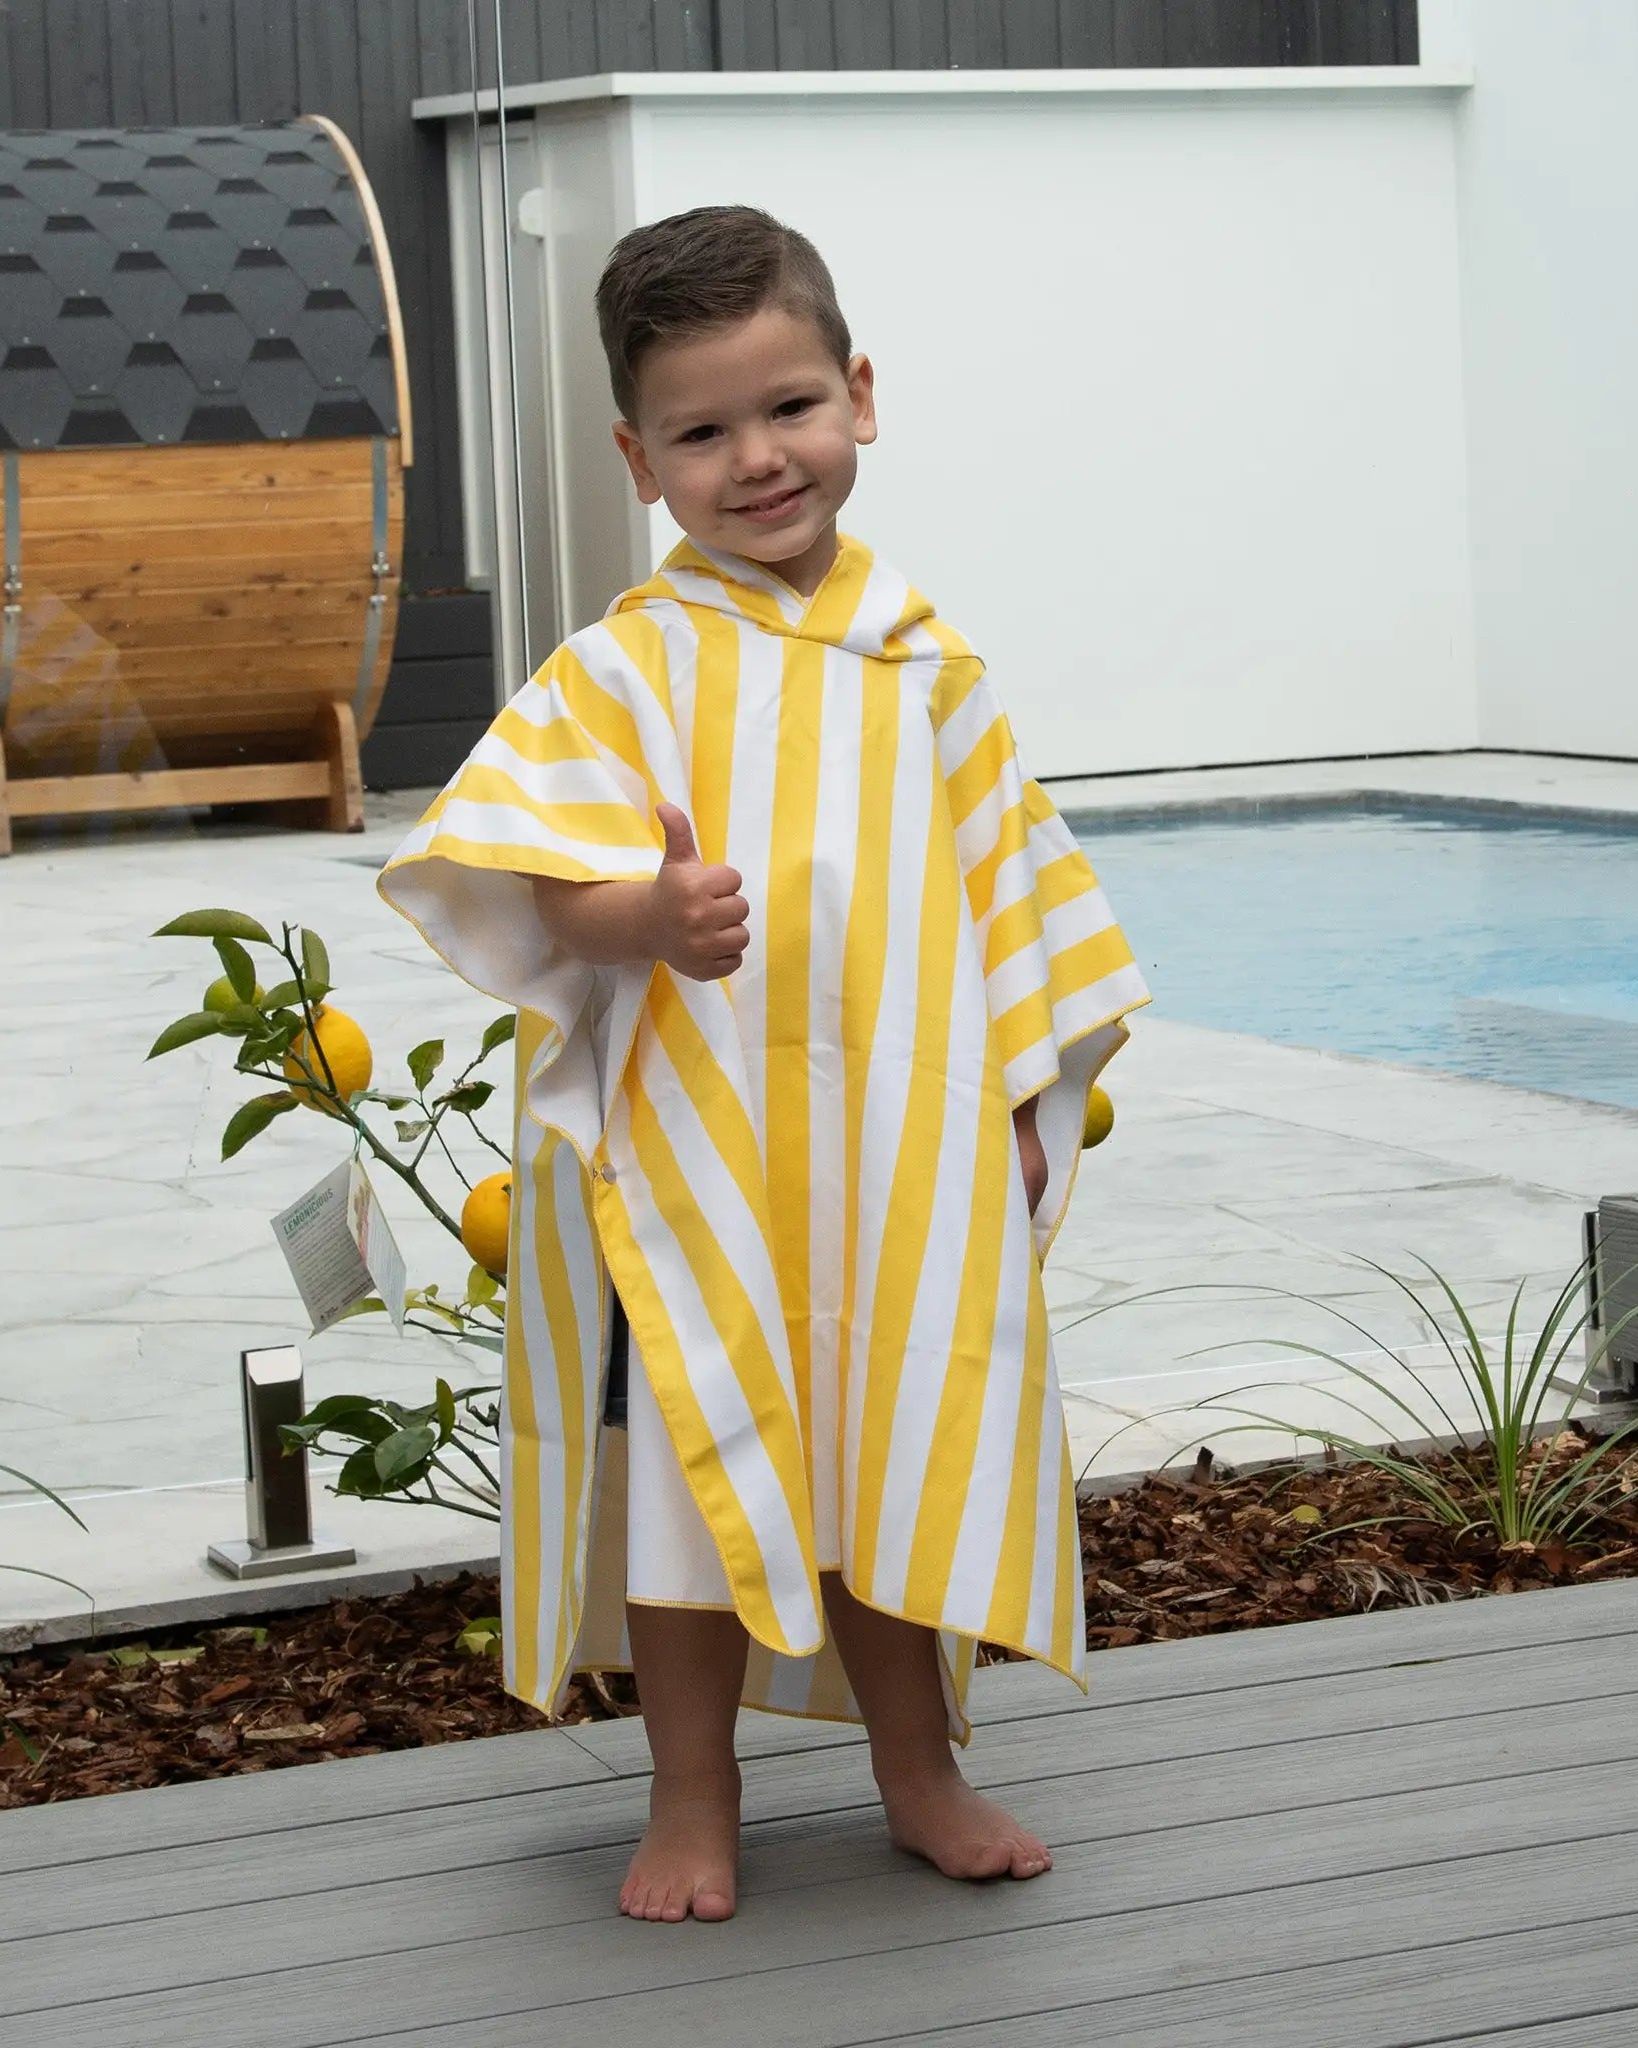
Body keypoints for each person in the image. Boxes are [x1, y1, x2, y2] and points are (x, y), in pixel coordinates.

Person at [379, 205, 1147, 1924]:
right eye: (705, 432)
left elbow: (1020, 915)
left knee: (890, 1452)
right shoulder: (622, 673)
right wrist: (645, 909)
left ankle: (920, 1769)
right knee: (686, 1490)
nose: (759, 458)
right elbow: (530, 881)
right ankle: (692, 1793)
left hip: (891, 1166)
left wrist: (1029, 1110)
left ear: (861, 396)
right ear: (639, 460)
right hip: (692, 1165)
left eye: (789, 407)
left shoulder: (926, 675)